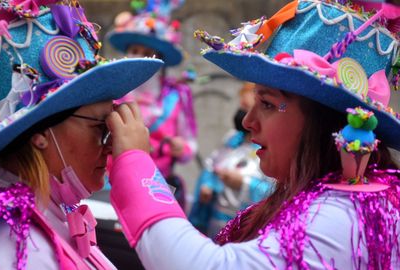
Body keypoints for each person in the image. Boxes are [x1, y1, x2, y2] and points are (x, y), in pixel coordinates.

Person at [104, 1, 400, 269]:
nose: (247, 121)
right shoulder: (349, 197)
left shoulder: (343, 214)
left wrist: (134, 162)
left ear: (325, 121)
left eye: (268, 104)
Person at [0, 1, 162, 269]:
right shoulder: (6, 246)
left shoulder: (48, 214)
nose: (111, 146)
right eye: (102, 126)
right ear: (41, 134)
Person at [108, 0, 197, 208]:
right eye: (134, 50)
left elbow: (189, 147)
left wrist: (179, 148)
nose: (138, 57)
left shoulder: (177, 95)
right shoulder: (110, 89)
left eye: (147, 52)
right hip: (107, 189)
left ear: (160, 59)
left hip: (154, 191)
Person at [189, 82, 273, 237]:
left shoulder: (272, 149)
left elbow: (276, 194)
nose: (245, 118)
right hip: (213, 224)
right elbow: (211, 165)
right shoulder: (232, 139)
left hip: (244, 231)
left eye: (247, 109)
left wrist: (243, 183)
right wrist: (208, 184)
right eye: (242, 109)